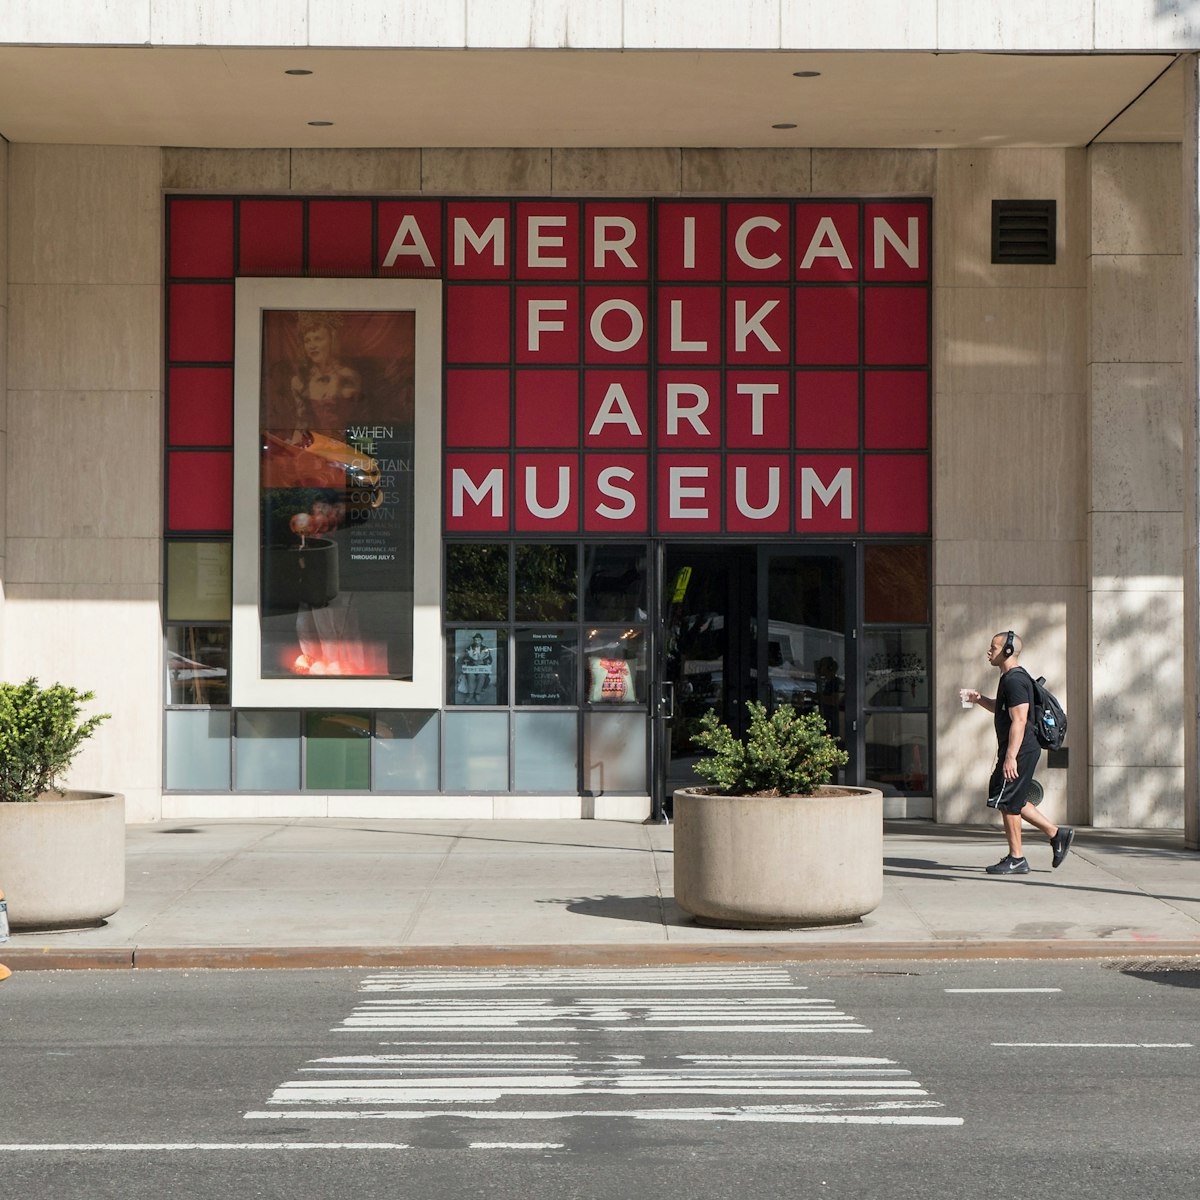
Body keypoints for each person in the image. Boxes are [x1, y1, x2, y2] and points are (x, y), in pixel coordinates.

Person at [962, 630, 1074, 875]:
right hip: (1018, 749)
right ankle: (1057, 834)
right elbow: (1004, 711)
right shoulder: (1009, 679)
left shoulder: (1015, 680)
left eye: (994, 647)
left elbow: (1020, 720)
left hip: (1020, 749)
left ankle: (1017, 858)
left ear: (1008, 651)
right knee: (1012, 799)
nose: (989, 651)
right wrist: (979, 699)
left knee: (1008, 801)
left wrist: (1011, 756)